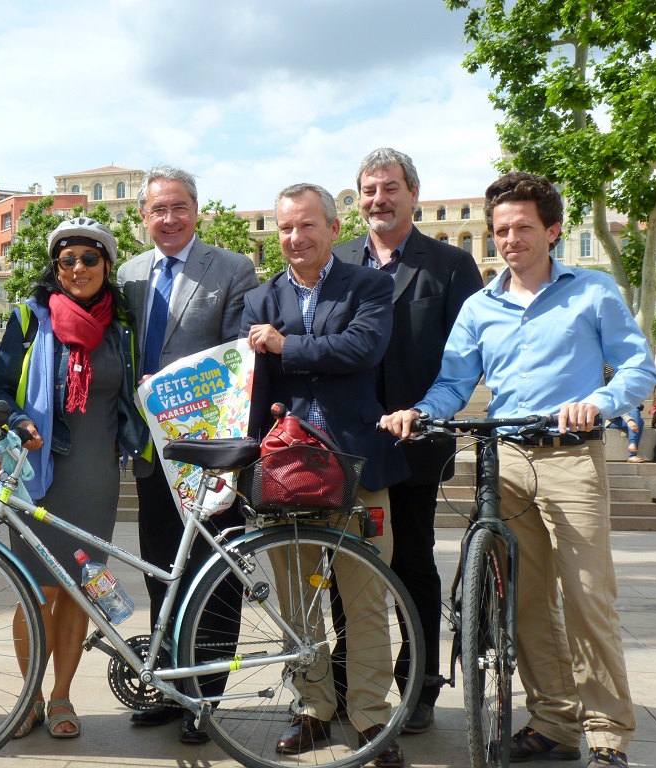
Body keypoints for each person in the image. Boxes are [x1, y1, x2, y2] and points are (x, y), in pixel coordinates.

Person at [382, 172, 655, 768]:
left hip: (571, 458)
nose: (509, 239)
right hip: (503, 464)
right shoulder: (481, 306)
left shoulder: (593, 291)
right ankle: (555, 723)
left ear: (553, 231)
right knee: (525, 603)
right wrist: (420, 412)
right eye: (500, 229)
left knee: (588, 600)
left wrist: (601, 403)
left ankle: (608, 736)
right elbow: (455, 380)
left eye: (522, 227)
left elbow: (638, 369)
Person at [242, 182, 410, 768]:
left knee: (365, 600)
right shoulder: (259, 298)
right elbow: (249, 383)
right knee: (297, 602)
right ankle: (312, 710)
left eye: (307, 225)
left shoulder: (369, 285)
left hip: (358, 464)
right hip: (287, 470)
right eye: (286, 227)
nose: (295, 238)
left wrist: (286, 344)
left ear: (334, 229)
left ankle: (369, 717)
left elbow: (360, 349)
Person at [333, 148, 483, 732]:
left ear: (413, 195)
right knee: (344, 566)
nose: (378, 199)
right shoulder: (339, 258)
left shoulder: (449, 264)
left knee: (415, 564)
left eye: (390, 188)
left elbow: (464, 356)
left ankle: (418, 684)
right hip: (346, 442)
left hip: (416, 440)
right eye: (369, 189)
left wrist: (426, 412)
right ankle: (349, 680)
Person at [0, 217, 149, 739]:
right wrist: (18, 418)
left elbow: (136, 396)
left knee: (78, 590)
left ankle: (60, 697)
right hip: (37, 472)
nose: (78, 268)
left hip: (97, 475)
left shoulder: (122, 327)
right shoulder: (32, 318)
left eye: (89, 258)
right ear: (56, 268)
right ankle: (29, 695)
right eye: (67, 260)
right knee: (34, 590)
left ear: (107, 264)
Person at [116, 164, 258, 744]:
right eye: (157, 210)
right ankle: (172, 685)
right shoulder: (127, 273)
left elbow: (235, 359)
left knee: (214, 574)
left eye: (178, 208)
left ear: (195, 210)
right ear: (144, 216)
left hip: (210, 451)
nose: (168, 219)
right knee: (161, 572)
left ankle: (208, 698)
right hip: (152, 450)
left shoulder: (232, 269)